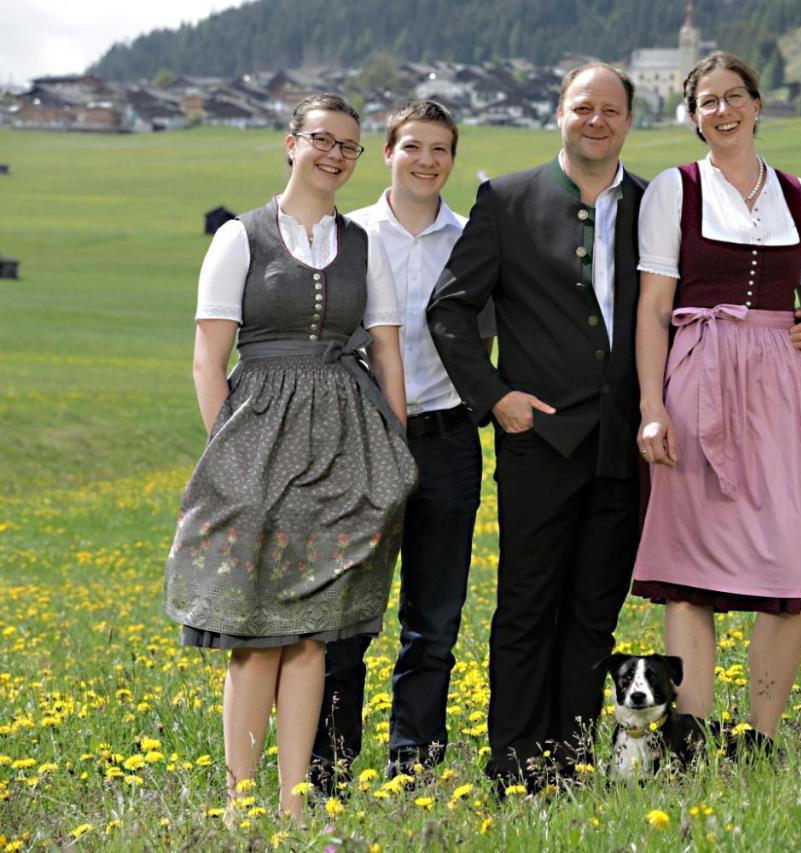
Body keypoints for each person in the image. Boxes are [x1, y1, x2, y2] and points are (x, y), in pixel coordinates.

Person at [163, 94, 417, 819]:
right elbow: (208, 358)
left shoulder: (366, 244)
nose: (336, 155)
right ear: (291, 143)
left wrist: (394, 452)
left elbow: (387, 349)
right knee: (256, 629)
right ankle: (242, 800)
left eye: (349, 146)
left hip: (344, 441)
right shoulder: (240, 237)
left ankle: (293, 799)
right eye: (323, 141)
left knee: (312, 632)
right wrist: (231, 458)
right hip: (257, 442)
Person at [427, 63, 647, 790]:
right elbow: (450, 310)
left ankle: (574, 759)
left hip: (624, 443)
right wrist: (495, 397)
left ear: (628, 120)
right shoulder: (508, 199)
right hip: (539, 442)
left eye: (610, 109)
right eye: (582, 107)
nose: (596, 120)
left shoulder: (657, 205)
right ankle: (517, 764)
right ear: (559, 113)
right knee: (526, 607)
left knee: (593, 612)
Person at [629, 52, 801, 749]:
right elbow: (654, 307)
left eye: (733, 97)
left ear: (758, 103)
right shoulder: (675, 189)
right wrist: (651, 405)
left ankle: (760, 736)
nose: (721, 111)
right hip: (698, 382)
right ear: (693, 117)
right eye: (706, 102)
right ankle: (688, 734)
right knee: (691, 571)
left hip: (783, 390)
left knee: (794, 564)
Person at [309, 101, 495, 788]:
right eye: (412, 146)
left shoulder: (474, 236)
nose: (427, 160)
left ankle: (413, 765)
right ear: (386, 153)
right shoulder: (347, 232)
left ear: (452, 158)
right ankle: (327, 763)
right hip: (359, 443)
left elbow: (483, 340)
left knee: (434, 620)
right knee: (346, 617)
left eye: (441, 149)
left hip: (447, 440)